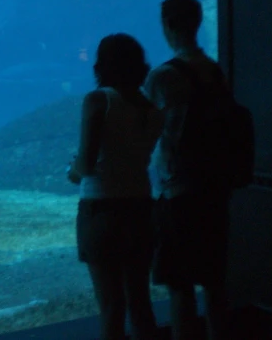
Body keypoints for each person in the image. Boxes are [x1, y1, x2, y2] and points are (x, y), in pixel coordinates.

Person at [143, 0, 231, 340]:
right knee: (214, 283)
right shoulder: (215, 71)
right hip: (214, 189)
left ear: (167, 25)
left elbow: (145, 130)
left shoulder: (163, 76)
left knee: (179, 286)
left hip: (175, 190)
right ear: (198, 23)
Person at [68, 33, 164, 340]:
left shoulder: (98, 100)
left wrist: (72, 169)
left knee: (111, 307)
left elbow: (85, 166)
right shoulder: (153, 109)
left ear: (102, 65)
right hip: (140, 210)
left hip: (102, 210)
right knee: (140, 303)